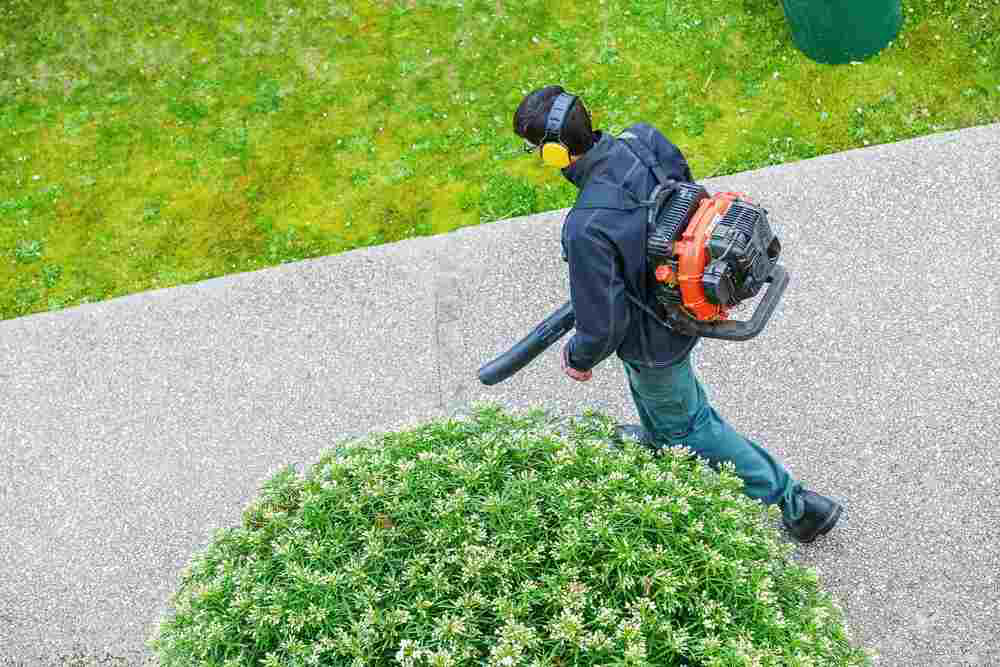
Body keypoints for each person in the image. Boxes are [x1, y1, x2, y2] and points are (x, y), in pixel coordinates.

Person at [512, 85, 842, 543]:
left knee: (693, 425)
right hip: (679, 302)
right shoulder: (643, 141)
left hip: (655, 335)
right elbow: (691, 195)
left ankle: (798, 503)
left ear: (553, 154)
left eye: (534, 149)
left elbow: (603, 324)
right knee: (672, 411)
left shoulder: (586, 227)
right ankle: (661, 436)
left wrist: (578, 357)